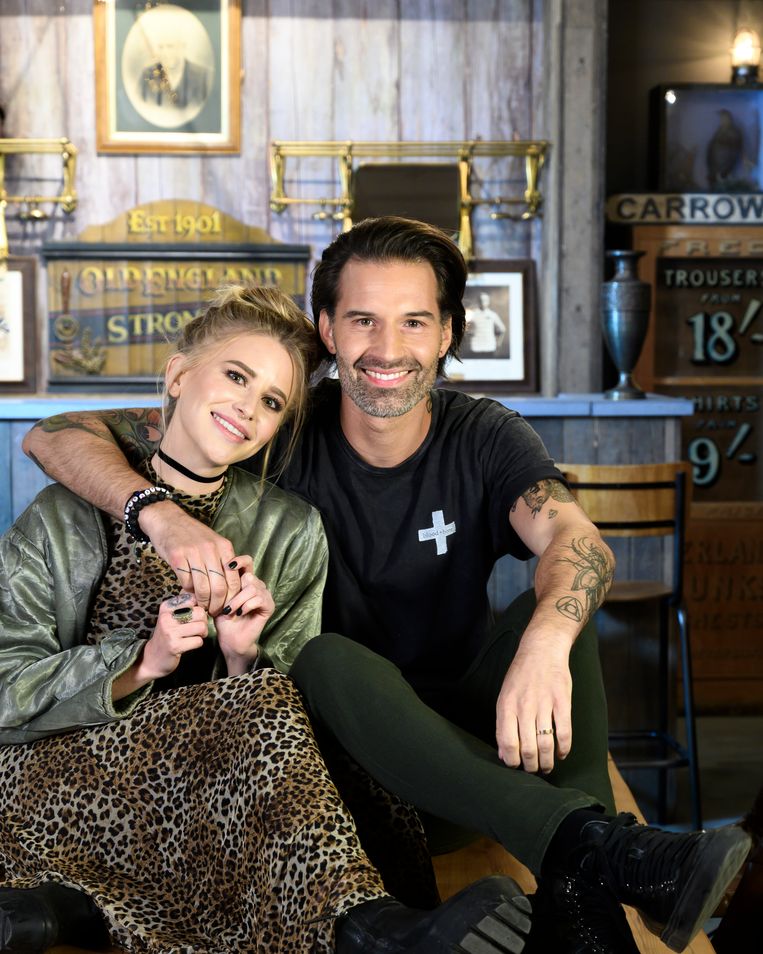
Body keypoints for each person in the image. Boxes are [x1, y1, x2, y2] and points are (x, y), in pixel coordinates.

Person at [23, 220, 755, 954]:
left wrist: (544, 643)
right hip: (346, 784)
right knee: (324, 657)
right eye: (363, 320)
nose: (387, 348)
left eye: (414, 321)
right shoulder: (274, 426)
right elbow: (52, 435)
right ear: (328, 332)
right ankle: (602, 863)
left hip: (482, 770)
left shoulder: (483, 434)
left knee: (560, 610)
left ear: (446, 334)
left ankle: (583, 882)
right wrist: (161, 516)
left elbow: (577, 541)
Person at [2, 284, 532, 954]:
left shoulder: (290, 528)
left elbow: (288, 730)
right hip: (59, 779)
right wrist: (142, 662)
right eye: (235, 376)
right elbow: (5, 689)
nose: (247, 408)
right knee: (264, 709)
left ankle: (74, 909)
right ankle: (368, 930)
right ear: (177, 375)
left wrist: (241, 658)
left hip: (199, 791)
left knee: (313, 730)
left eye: (273, 401)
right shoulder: (64, 511)